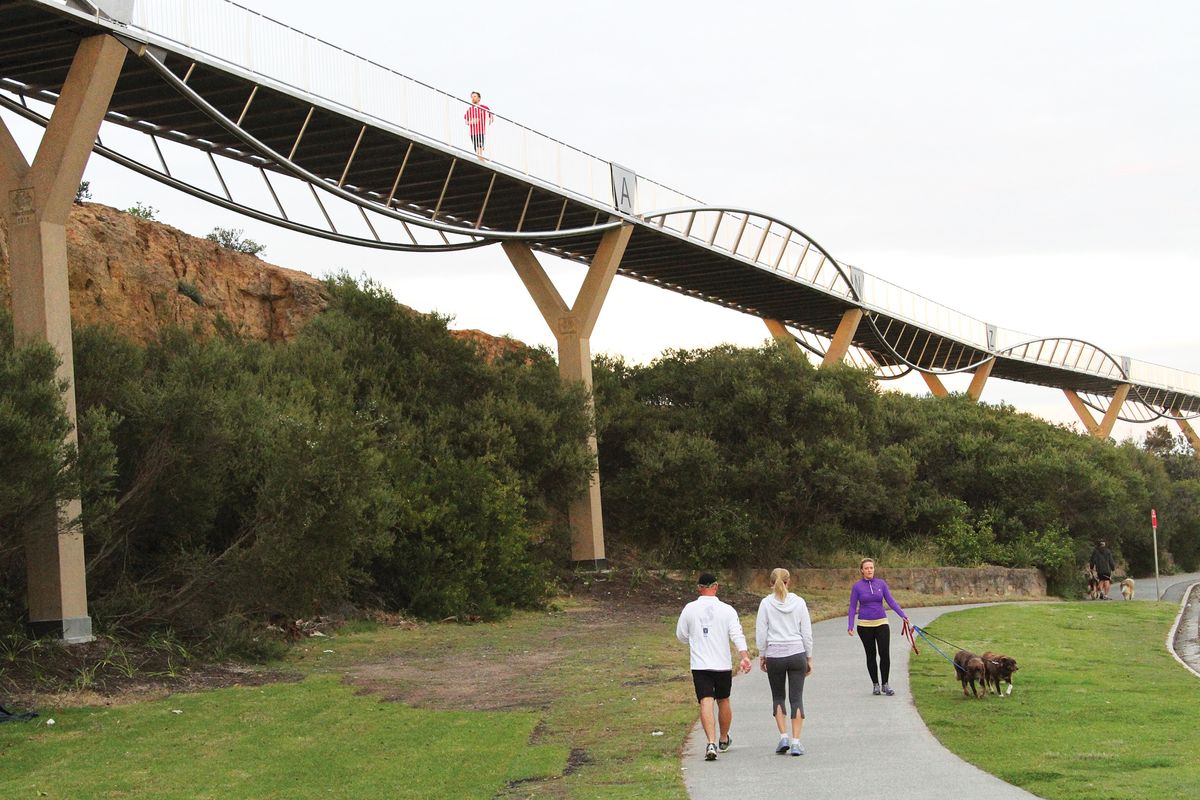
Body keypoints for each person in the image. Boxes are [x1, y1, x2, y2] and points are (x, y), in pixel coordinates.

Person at [676, 572, 752, 762]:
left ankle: (710, 742)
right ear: (716, 587)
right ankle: (723, 738)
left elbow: (681, 635)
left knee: (706, 701)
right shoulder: (727, 610)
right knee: (723, 699)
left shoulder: (690, 609)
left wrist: (694, 638)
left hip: (700, 664)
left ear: (698, 588)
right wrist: (744, 656)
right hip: (722, 663)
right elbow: (737, 634)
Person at [755, 567, 813, 756]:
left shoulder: (766, 603)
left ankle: (783, 737)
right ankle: (797, 742)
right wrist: (809, 655)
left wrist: (762, 654)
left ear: (771, 583)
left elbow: (761, 632)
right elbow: (806, 632)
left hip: (775, 654)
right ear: (789, 581)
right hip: (797, 652)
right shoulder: (799, 602)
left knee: (778, 696)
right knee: (796, 698)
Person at [847, 557, 909, 696]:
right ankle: (875, 684)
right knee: (871, 655)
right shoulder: (857, 587)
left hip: (881, 623)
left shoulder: (881, 584)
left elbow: (891, 601)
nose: (869, 570)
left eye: (871, 568)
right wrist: (850, 625)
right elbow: (852, 606)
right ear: (862, 570)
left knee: (884, 654)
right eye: (867, 568)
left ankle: (885, 684)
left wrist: (903, 615)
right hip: (864, 625)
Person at [463, 91, 494, 158]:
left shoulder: (484, 107)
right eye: (472, 97)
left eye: (474, 96)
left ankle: (481, 161)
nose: (473, 98)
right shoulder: (470, 110)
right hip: (473, 133)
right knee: (477, 150)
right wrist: (472, 122)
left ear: (479, 98)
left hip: (480, 131)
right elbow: (466, 122)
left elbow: (491, 118)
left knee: (479, 147)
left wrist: (487, 124)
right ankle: (481, 161)